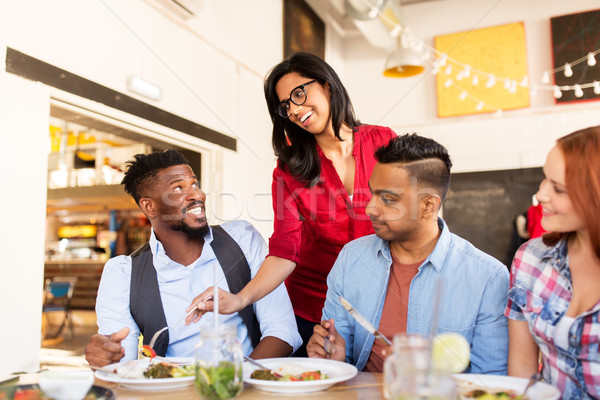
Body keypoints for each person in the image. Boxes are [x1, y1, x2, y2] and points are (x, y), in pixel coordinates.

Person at [188, 52, 397, 356]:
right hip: (314, 312)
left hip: (380, 304)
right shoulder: (289, 169)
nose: (296, 110)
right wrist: (240, 299)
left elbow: (409, 221)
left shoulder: (384, 142)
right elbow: (286, 250)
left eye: (300, 94)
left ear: (327, 84)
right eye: (286, 105)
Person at [306, 134, 509, 374]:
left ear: (428, 206)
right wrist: (334, 361)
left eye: (388, 199)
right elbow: (339, 362)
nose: (370, 208)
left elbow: (492, 381)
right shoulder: (351, 259)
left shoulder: (487, 278)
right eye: (372, 193)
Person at [84, 150, 301, 367]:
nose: (197, 195)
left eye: (194, 184)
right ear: (149, 207)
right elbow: (121, 363)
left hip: (247, 385)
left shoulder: (242, 239)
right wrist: (104, 357)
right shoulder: (122, 274)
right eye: (178, 188)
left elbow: (283, 330)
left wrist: (231, 382)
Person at [506, 126, 600, 399]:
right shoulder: (531, 258)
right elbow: (523, 370)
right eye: (545, 179)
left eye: (558, 189)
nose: (541, 195)